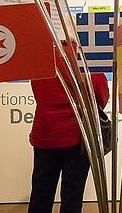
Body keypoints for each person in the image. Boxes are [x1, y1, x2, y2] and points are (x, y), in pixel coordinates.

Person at [28, 42, 109, 213]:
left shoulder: (40, 54)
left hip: (45, 134)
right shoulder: (84, 56)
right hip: (77, 136)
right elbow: (100, 95)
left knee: (41, 193)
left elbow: (38, 90)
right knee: (72, 195)